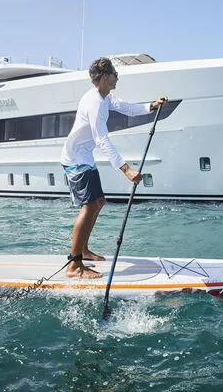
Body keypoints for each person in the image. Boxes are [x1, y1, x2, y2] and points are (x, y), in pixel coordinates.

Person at [61, 57, 166, 278]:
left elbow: (127, 108)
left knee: (98, 202)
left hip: (84, 157)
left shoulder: (105, 96)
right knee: (89, 206)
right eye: (115, 74)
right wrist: (126, 169)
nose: (117, 77)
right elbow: (101, 140)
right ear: (104, 77)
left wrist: (151, 106)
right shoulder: (95, 103)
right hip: (76, 159)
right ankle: (74, 264)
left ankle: (83, 250)